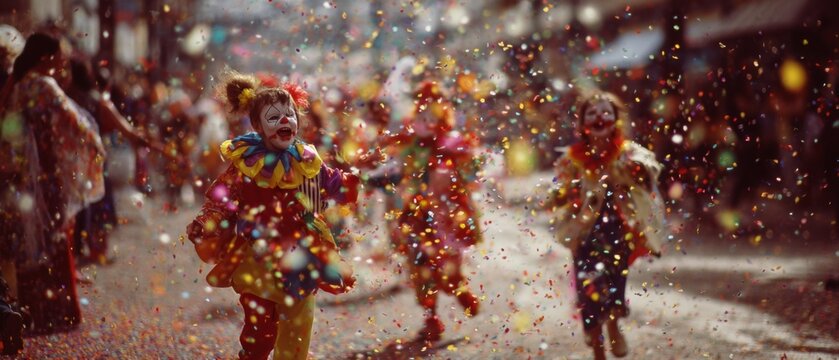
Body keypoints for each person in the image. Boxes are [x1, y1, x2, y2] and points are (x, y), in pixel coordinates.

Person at [185, 70, 383, 360]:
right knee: (260, 332)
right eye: (274, 117)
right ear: (259, 127)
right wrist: (206, 222)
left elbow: (332, 183)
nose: (284, 121)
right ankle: (253, 354)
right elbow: (222, 197)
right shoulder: (247, 163)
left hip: (301, 256)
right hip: (258, 257)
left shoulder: (306, 159)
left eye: (289, 115)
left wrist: (351, 180)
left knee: (298, 326)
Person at [0, 32, 105, 333]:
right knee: (54, 236)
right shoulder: (45, 86)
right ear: (47, 57)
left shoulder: (17, 86)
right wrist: (94, 147)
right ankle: (56, 312)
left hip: (19, 175)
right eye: (60, 55)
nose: (63, 61)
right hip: (46, 173)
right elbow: (77, 124)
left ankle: (31, 308)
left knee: (28, 241)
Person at [550, 91, 666, 360]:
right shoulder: (572, 158)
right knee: (588, 286)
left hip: (618, 227)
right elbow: (556, 190)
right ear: (582, 124)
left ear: (616, 119)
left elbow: (651, 168)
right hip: (584, 232)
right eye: (591, 113)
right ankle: (597, 343)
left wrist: (635, 168)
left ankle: (613, 324)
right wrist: (564, 193)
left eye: (605, 112)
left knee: (615, 279)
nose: (599, 117)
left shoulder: (627, 151)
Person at [380, 81, 482, 342]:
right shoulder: (410, 145)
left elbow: (471, 175)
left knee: (449, 267)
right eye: (421, 113)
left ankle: (459, 290)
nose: (426, 119)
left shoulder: (454, 145)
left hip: (447, 217)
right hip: (418, 214)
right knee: (420, 266)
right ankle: (431, 318)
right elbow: (400, 172)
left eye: (432, 114)